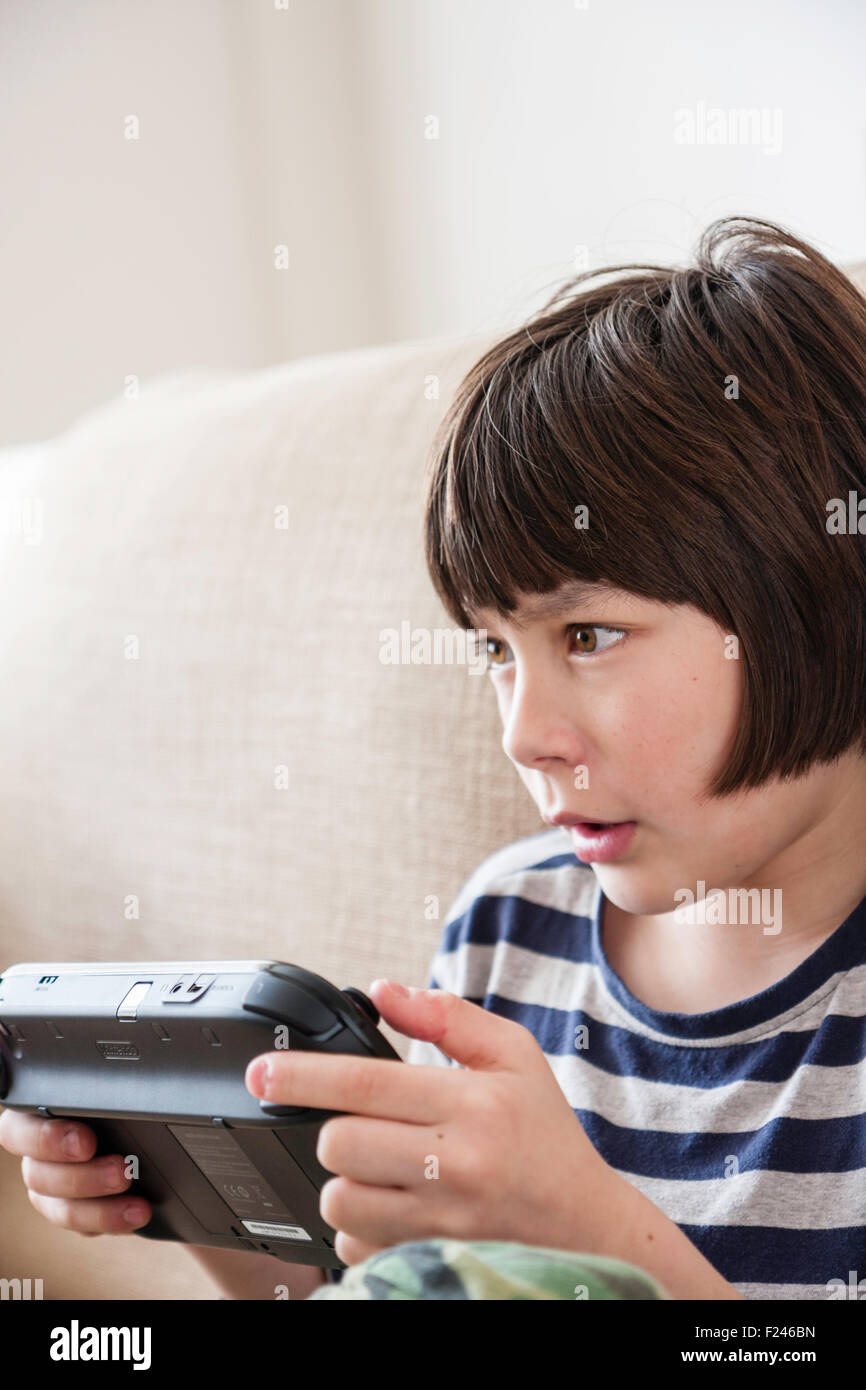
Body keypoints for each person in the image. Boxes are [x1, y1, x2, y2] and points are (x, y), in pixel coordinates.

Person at [3, 215, 865, 1300]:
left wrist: (592, 1227)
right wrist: (197, 1193)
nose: (522, 731)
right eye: (494, 651)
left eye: (586, 635)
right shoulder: (511, 927)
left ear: (812, 595)